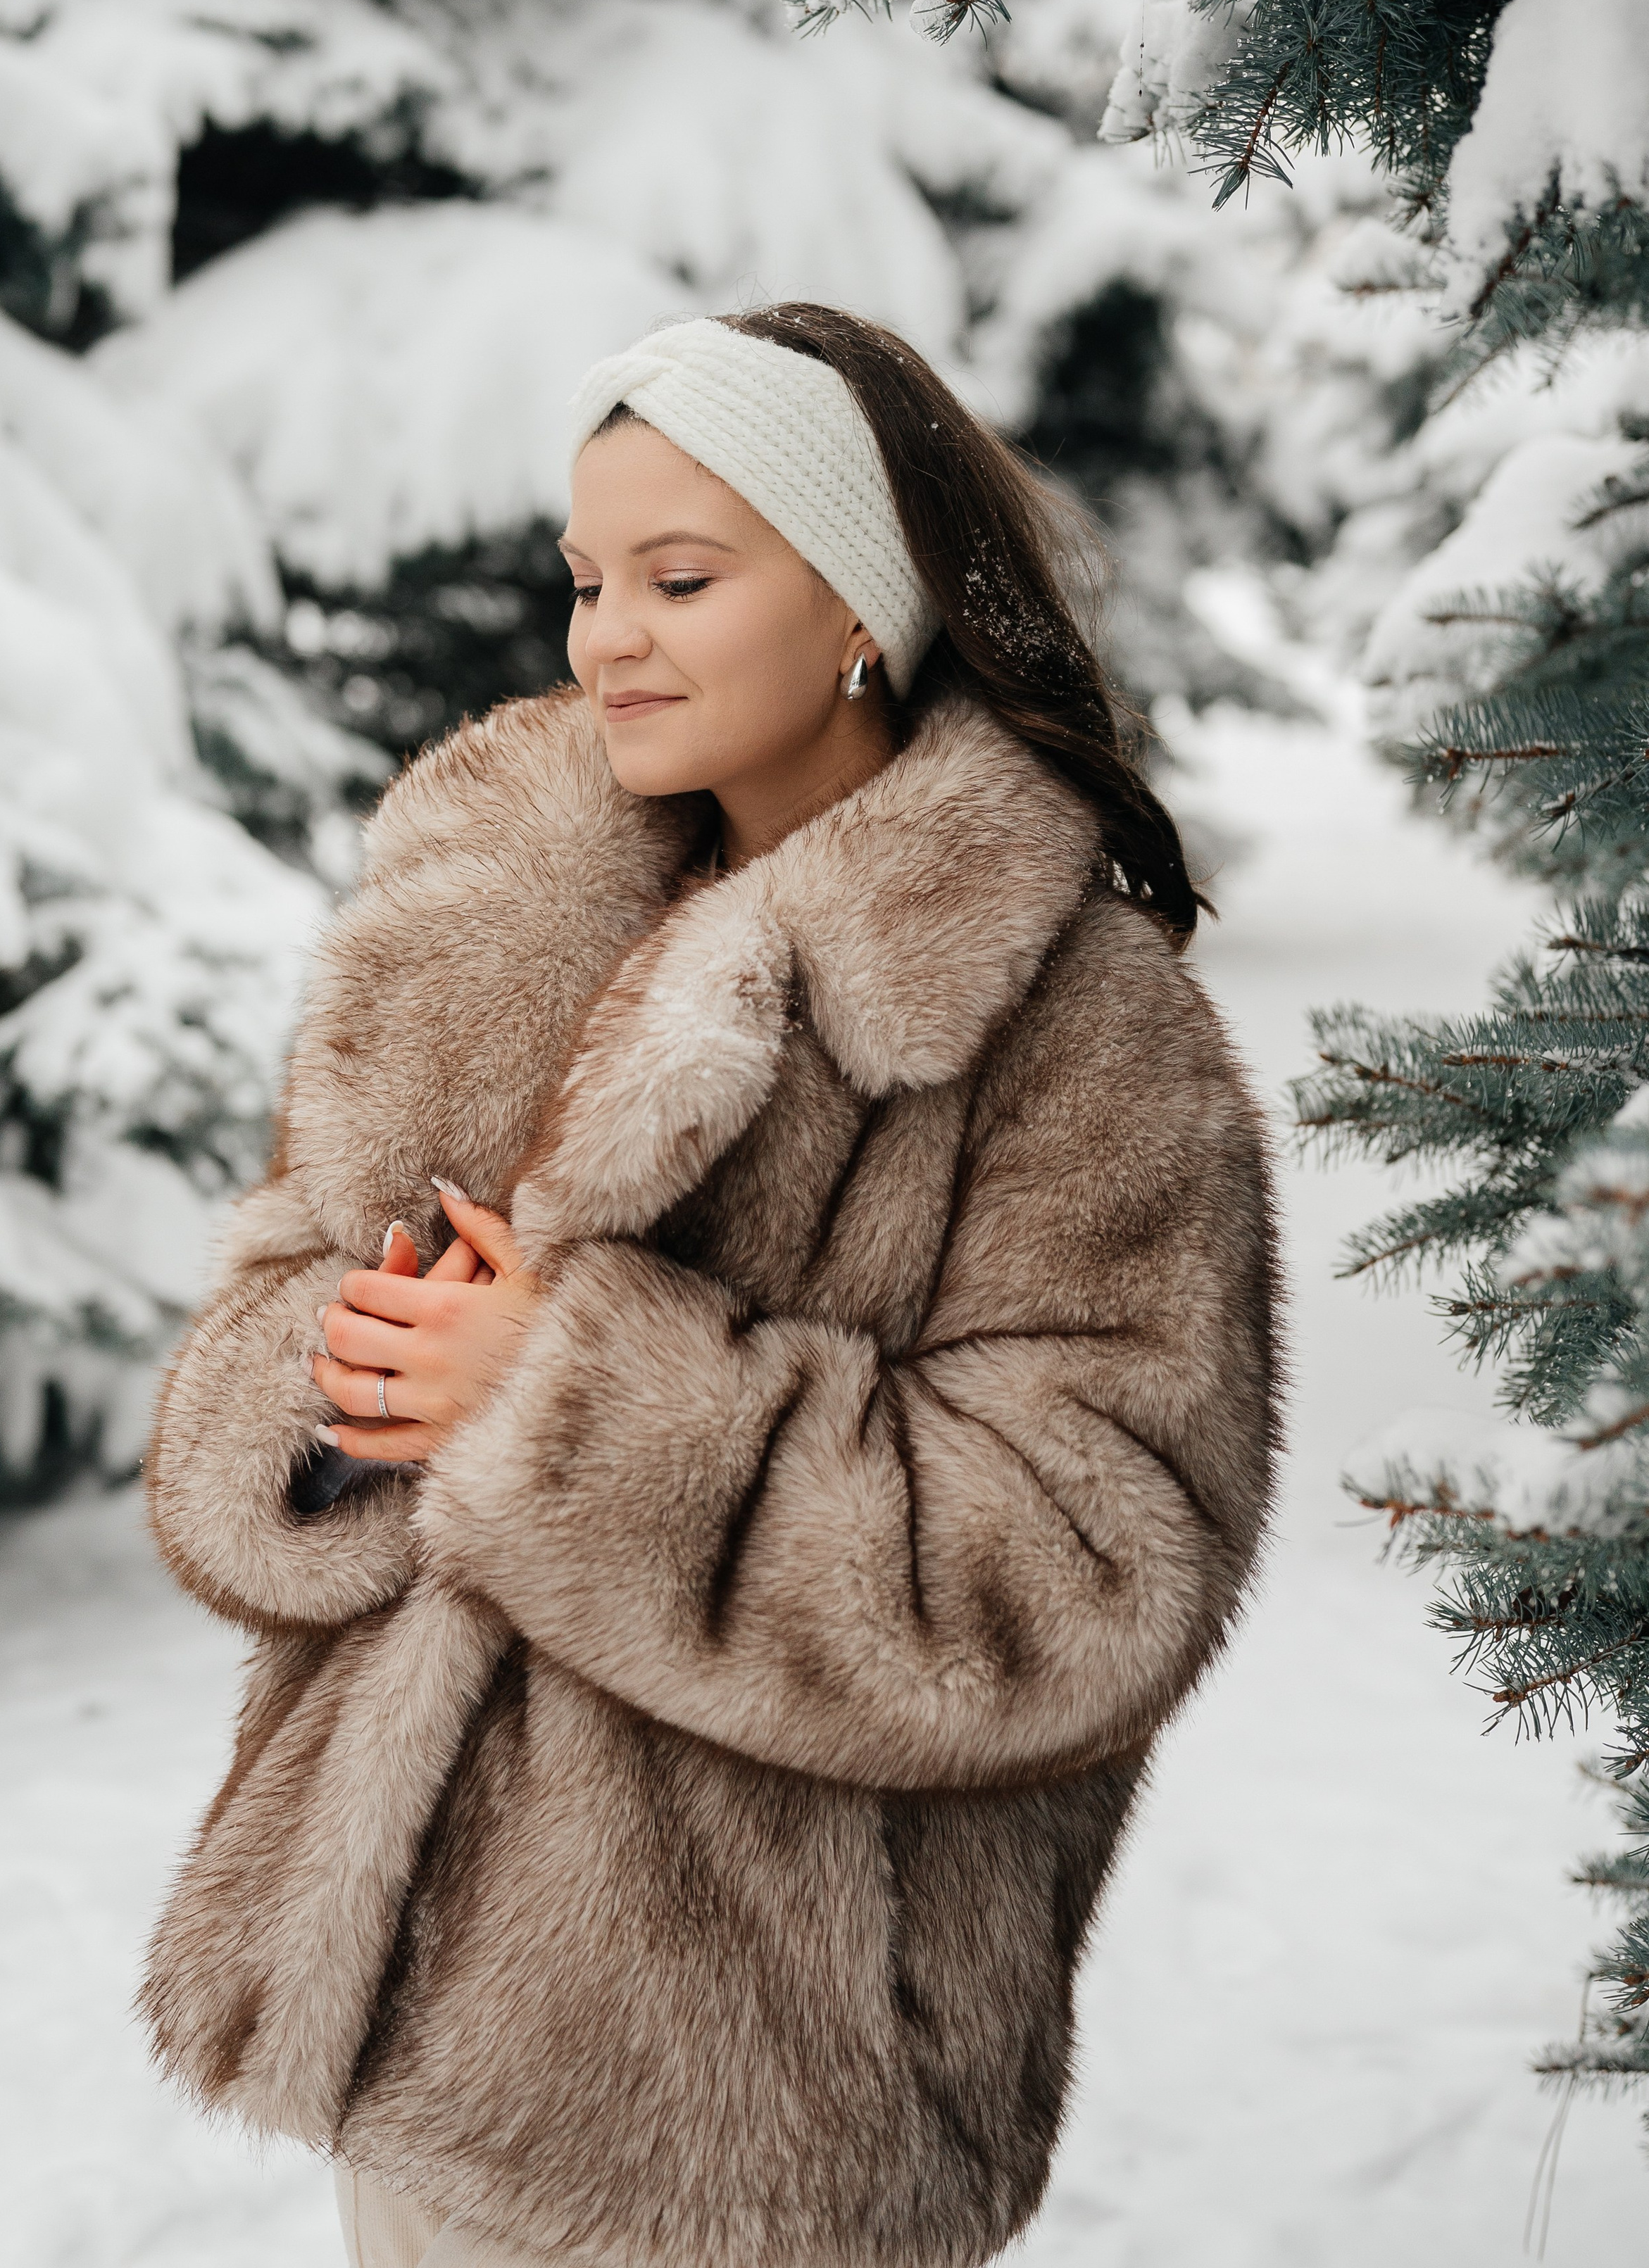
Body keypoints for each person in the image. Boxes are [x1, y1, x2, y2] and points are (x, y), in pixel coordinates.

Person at [142, 303, 1280, 2268]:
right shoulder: (479, 921)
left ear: (867, 604)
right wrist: (354, 1382)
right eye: (587, 580)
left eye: (682, 577)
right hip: (417, 2044)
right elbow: (251, 1385)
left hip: (762, 2112)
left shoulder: (1079, 1029)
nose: (608, 639)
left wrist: (565, 1400)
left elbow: (1095, 1572)